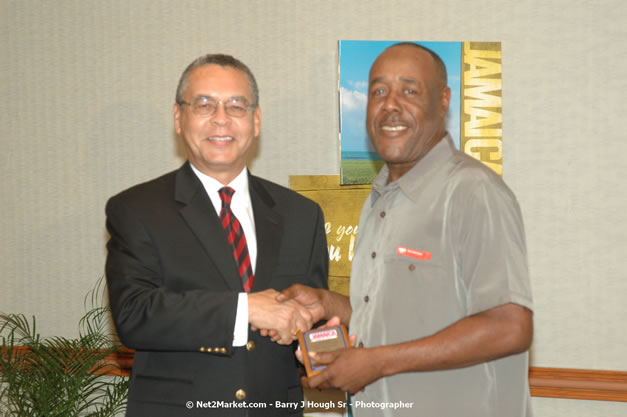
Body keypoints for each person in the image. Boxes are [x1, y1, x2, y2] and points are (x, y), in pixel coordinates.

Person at [279, 43, 534, 417]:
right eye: (378, 92)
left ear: (443, 100)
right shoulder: (381, 196)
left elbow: (510, 326)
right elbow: (404, 313)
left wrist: (377, 362)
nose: (390, 105)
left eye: (409, 91)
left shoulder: (472, 191)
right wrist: (328, 304)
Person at [105, 54, 328, 416]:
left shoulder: (302, 215)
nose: (221, 118)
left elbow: (311, 319)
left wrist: (313, 344)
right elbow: (134, 314)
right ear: (179, 118)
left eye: (236, 106)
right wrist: (246, 309)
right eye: (204, 104)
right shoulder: (136, 209)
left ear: (256, 121)